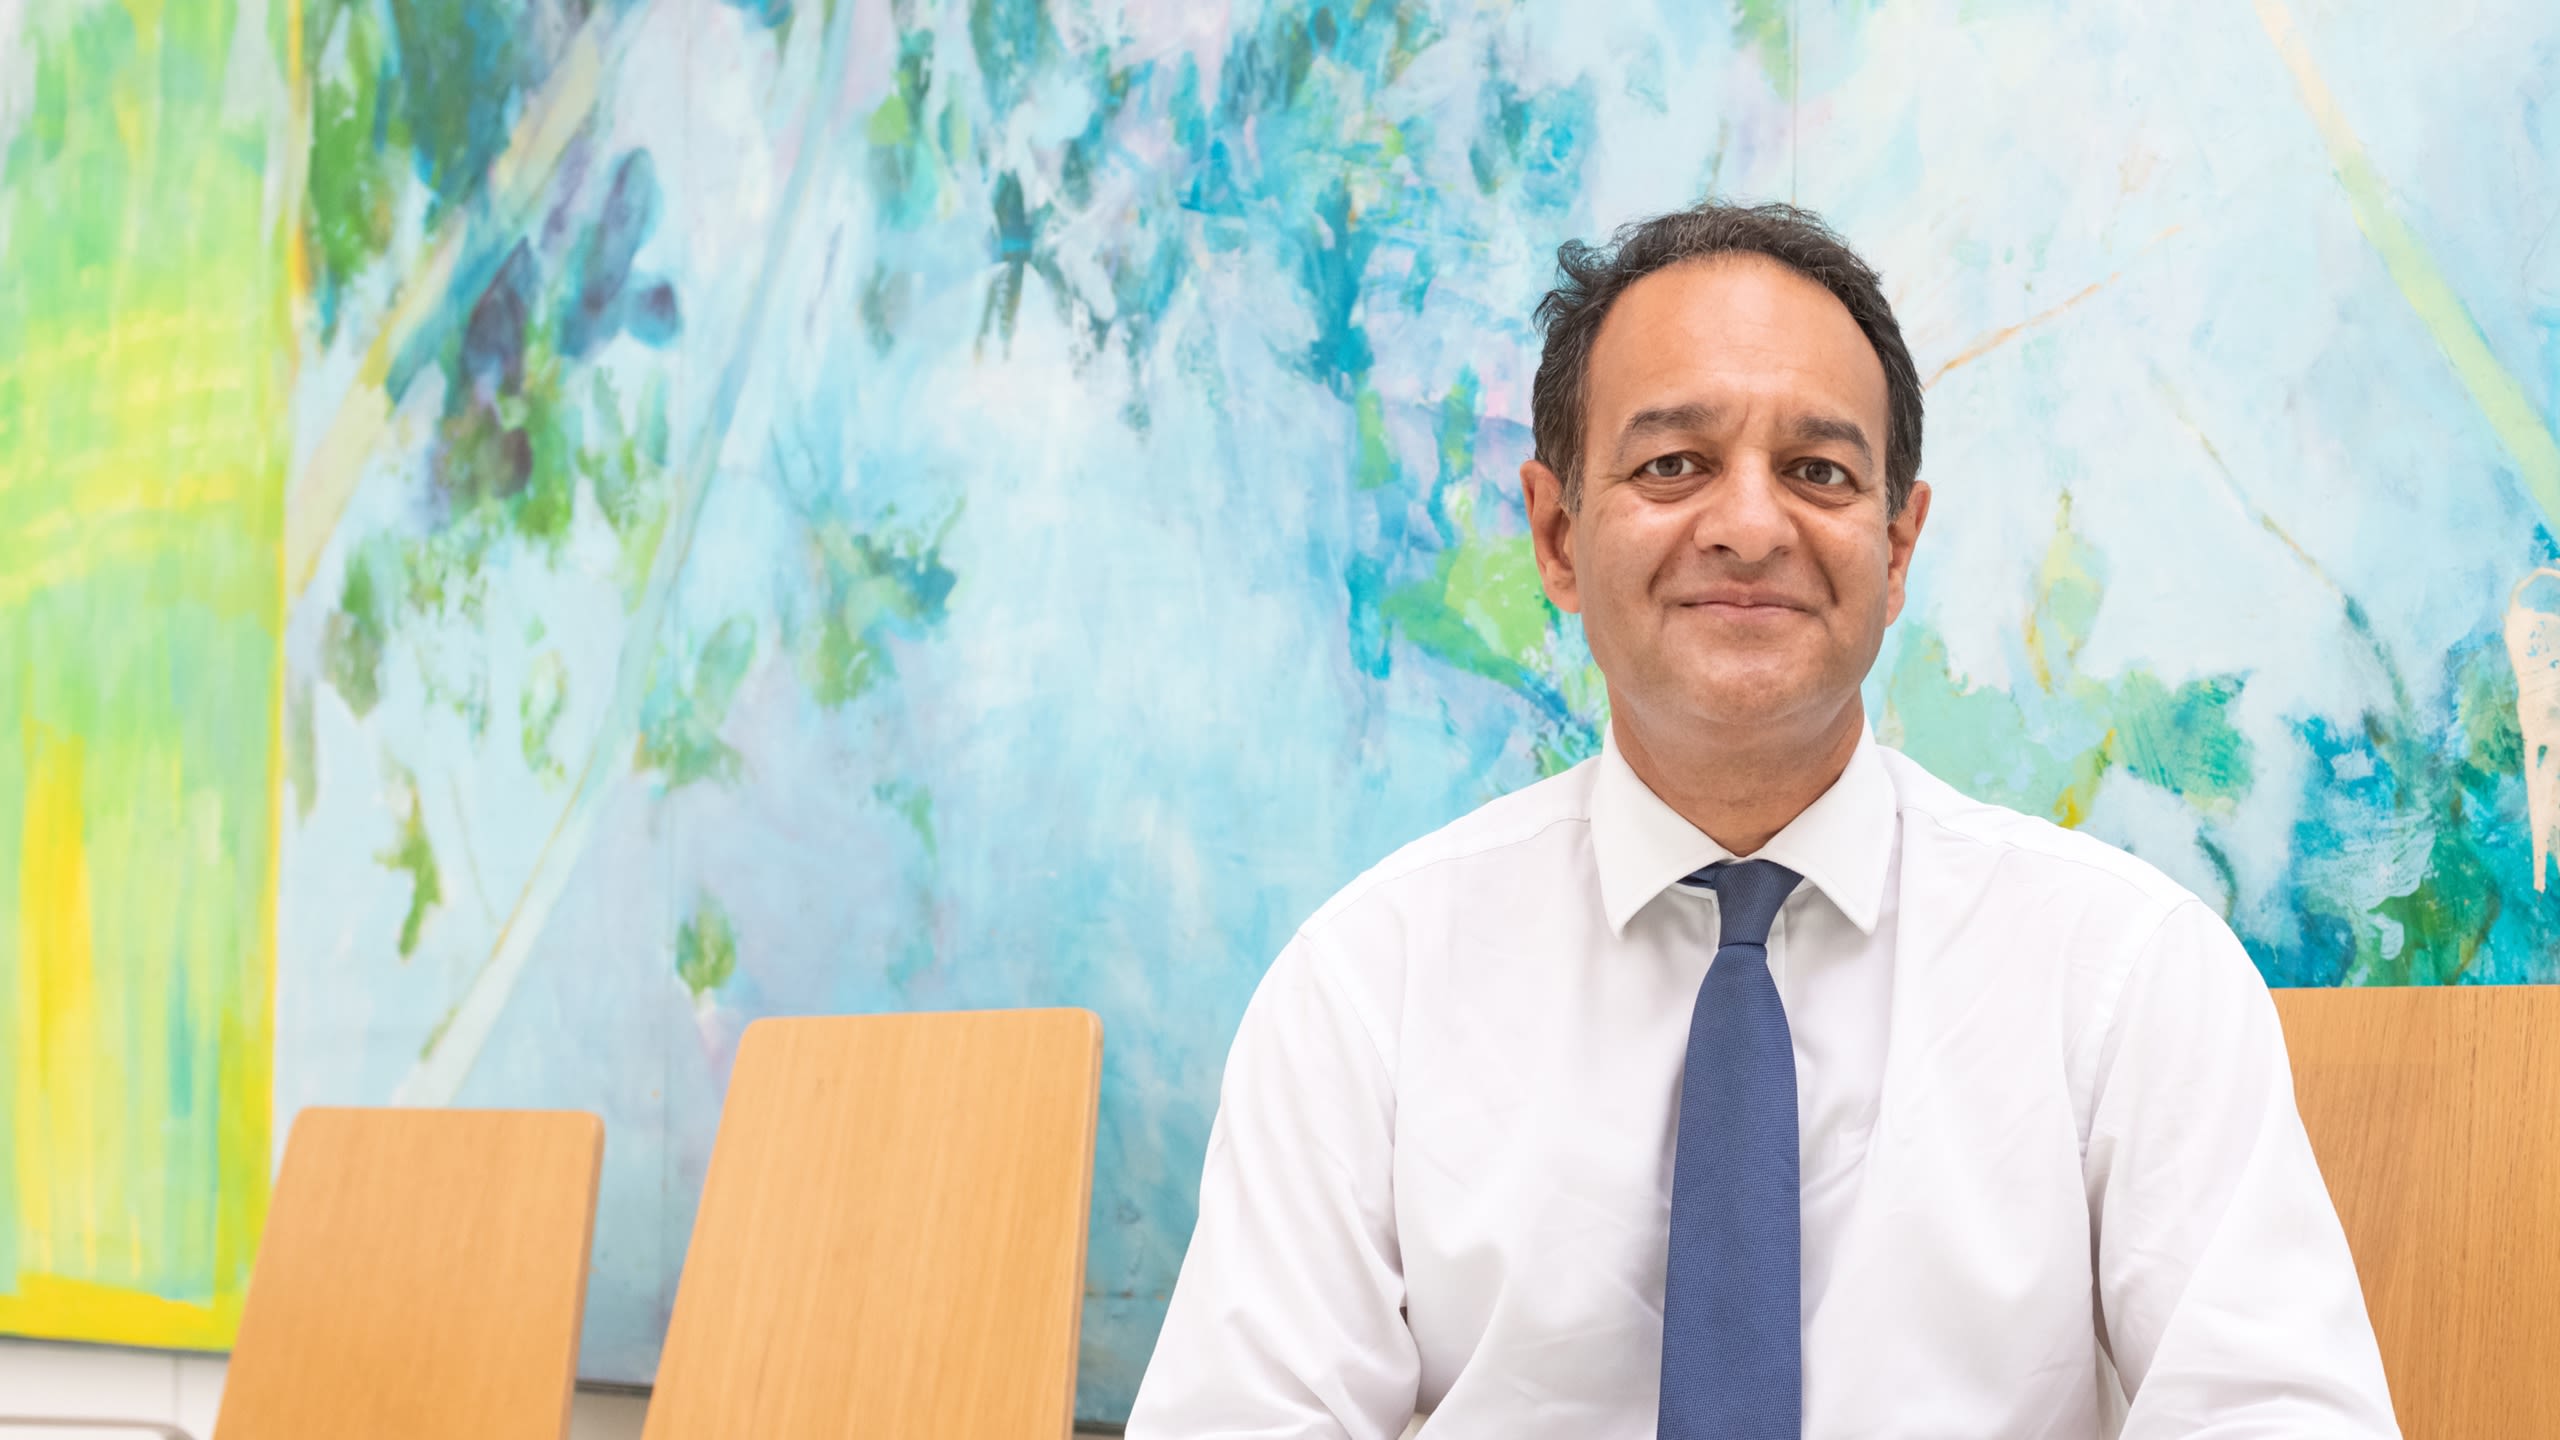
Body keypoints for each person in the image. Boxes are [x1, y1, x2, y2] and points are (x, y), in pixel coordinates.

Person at [1125, 201, 2398, 1439]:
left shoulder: (2126, 973)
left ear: (1897, 548)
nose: (1747, 527)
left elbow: (2275, 1409)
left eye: (1817, 471)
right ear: (1558, 534)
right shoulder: (1367, 983)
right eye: (1672, 464)